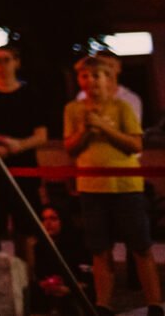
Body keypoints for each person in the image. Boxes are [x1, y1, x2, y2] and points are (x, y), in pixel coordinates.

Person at [63, 53, 159, 310]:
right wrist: (85, 130)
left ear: (108, 78)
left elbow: (135, 144)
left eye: (96, 75)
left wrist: (104, 128)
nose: (91, 81)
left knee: (140, 246)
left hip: (125, 186)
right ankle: (103, 304)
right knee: (99, 248)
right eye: (85, 76)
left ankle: (154, 303)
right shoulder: (73, 109)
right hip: (91, 188)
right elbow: (70, 147)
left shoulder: (123, 106)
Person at [0, 42, 46, 260]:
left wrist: (17, 147)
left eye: (6, 60)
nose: (1, 65)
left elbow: (41, 135)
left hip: (23, 167)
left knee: (27, 227)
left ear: (17, 63)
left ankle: (30, 277)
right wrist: (3, 143)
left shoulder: (30, 94)